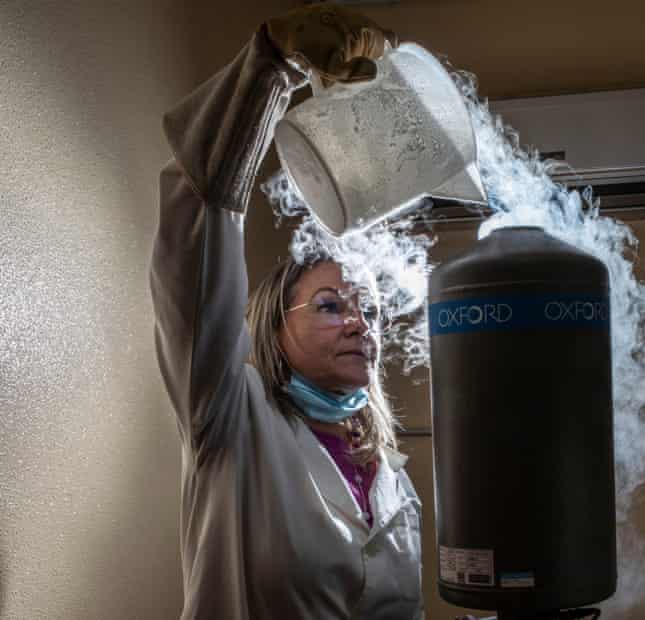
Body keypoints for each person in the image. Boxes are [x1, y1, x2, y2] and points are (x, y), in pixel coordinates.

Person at [149, 5, 423, 619]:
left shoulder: (390, 475)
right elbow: (196, 222)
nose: (361, 324)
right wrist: (272, 65)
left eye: (370, 312)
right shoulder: (227, 417)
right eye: (330, 306)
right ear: (276, 327)